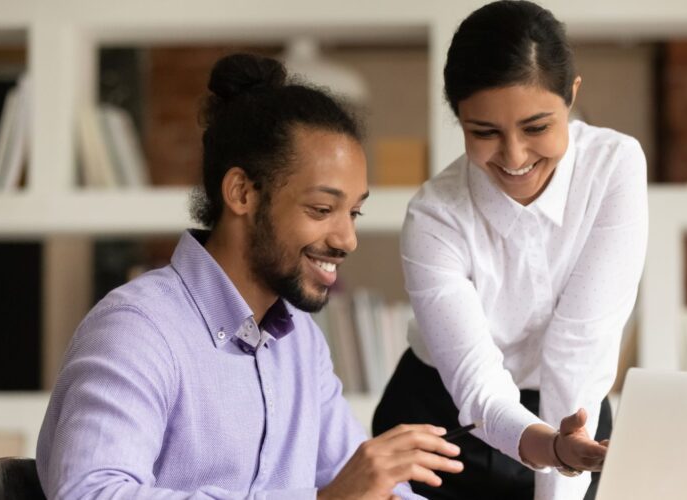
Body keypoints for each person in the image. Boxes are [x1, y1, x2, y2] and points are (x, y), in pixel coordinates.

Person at [36, 53, 464, 499]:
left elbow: (368, 485)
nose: (347, 239)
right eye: (322, 209)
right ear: (242, 192)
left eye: (353, 212)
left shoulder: (301, 343)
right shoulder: (137, 329)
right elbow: (89, 493)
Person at [372, 2, 648, 499]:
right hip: (445, 422)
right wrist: (553, 451)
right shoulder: (435, 216)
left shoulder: (614, 168)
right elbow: (477, 388)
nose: (515, 157)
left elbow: (580, 345)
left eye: (537, 127)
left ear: (572, 96)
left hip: (574, 415)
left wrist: (562, 463)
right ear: (458, 117)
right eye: (484, 133)